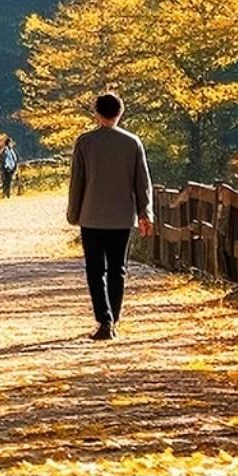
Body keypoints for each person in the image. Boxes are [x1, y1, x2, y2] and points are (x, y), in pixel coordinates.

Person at [67, 92, 153, 341]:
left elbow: (77, 183)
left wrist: (74, 214)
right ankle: (113, 319)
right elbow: (142, 182)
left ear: (96, 113)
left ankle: (104, 320)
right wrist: (145, 213)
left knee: (96, 270)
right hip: (122, 216)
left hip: (91, 216)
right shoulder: (132, 142)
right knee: (118, 269)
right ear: (120, 112)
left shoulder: (85, 142)